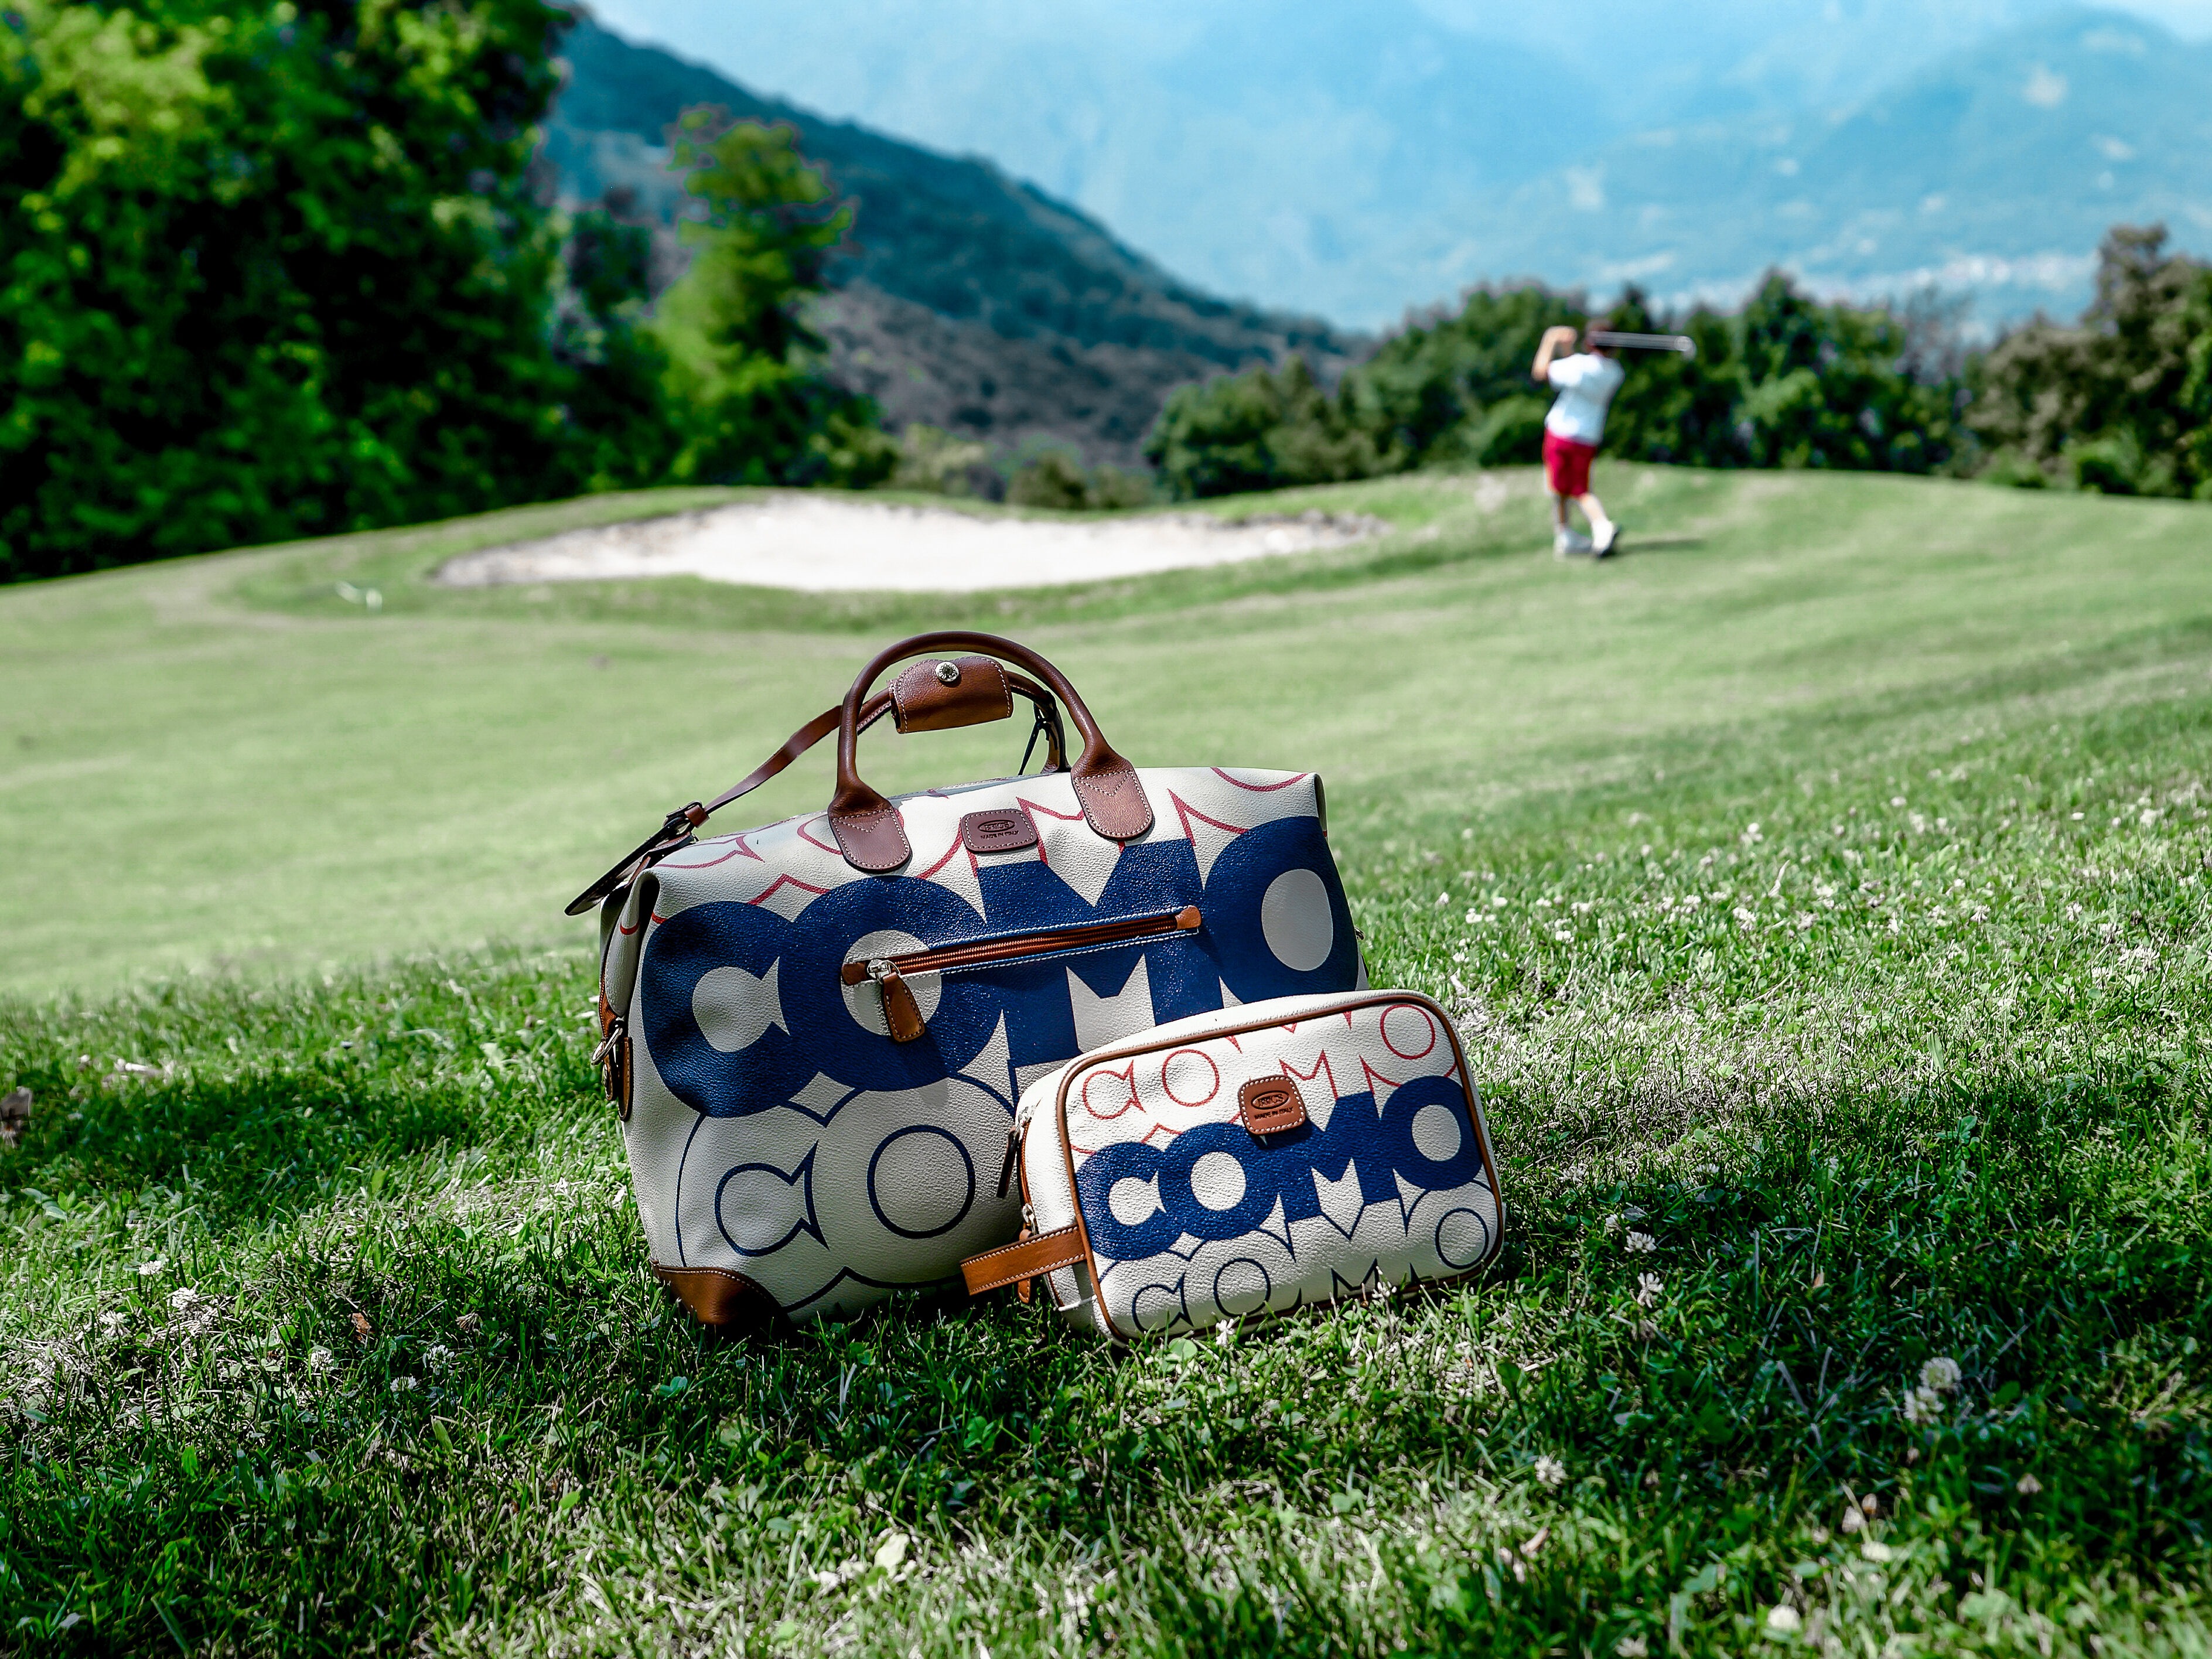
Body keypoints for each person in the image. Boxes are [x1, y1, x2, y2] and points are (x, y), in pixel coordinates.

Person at [1531, 322, 1626, 558]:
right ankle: (1565, 537)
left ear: (1590, 343)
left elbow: (1540, 372)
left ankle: (1602, 526)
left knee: (1573, 489)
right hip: (1588, 437)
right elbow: (1574, 373)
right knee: (1565, 487)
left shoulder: (1579, 365)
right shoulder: (1615, 372)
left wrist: (1550, 339)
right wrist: (1567, 349)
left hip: (1560, 433)